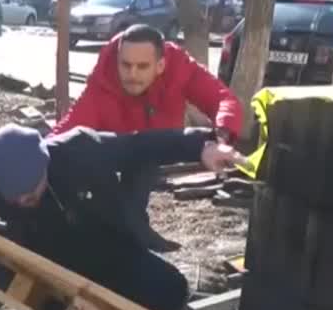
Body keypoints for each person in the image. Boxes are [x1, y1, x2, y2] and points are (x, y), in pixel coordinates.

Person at [0, 123, 247, 310]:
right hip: (37, 266)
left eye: (31, 191)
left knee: (170, 289)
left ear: (45, 161)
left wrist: (201, 146)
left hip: (103, 250)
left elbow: (141, 145)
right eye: (15, 197)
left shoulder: (80, 150)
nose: (24, 200)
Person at [51, 24, 244, 253]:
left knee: (138, 192)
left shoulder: (180, 68)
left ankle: (136, 236)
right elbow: (69, 130)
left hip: (159, 145)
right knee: (108, 203)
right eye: (126, 65)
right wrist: (39, 153)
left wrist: (221, 138)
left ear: (160, 65)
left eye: (142, 67)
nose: (132, 75)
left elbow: (222, 99)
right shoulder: (103, 80)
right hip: (117, 149)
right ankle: (129, 239)